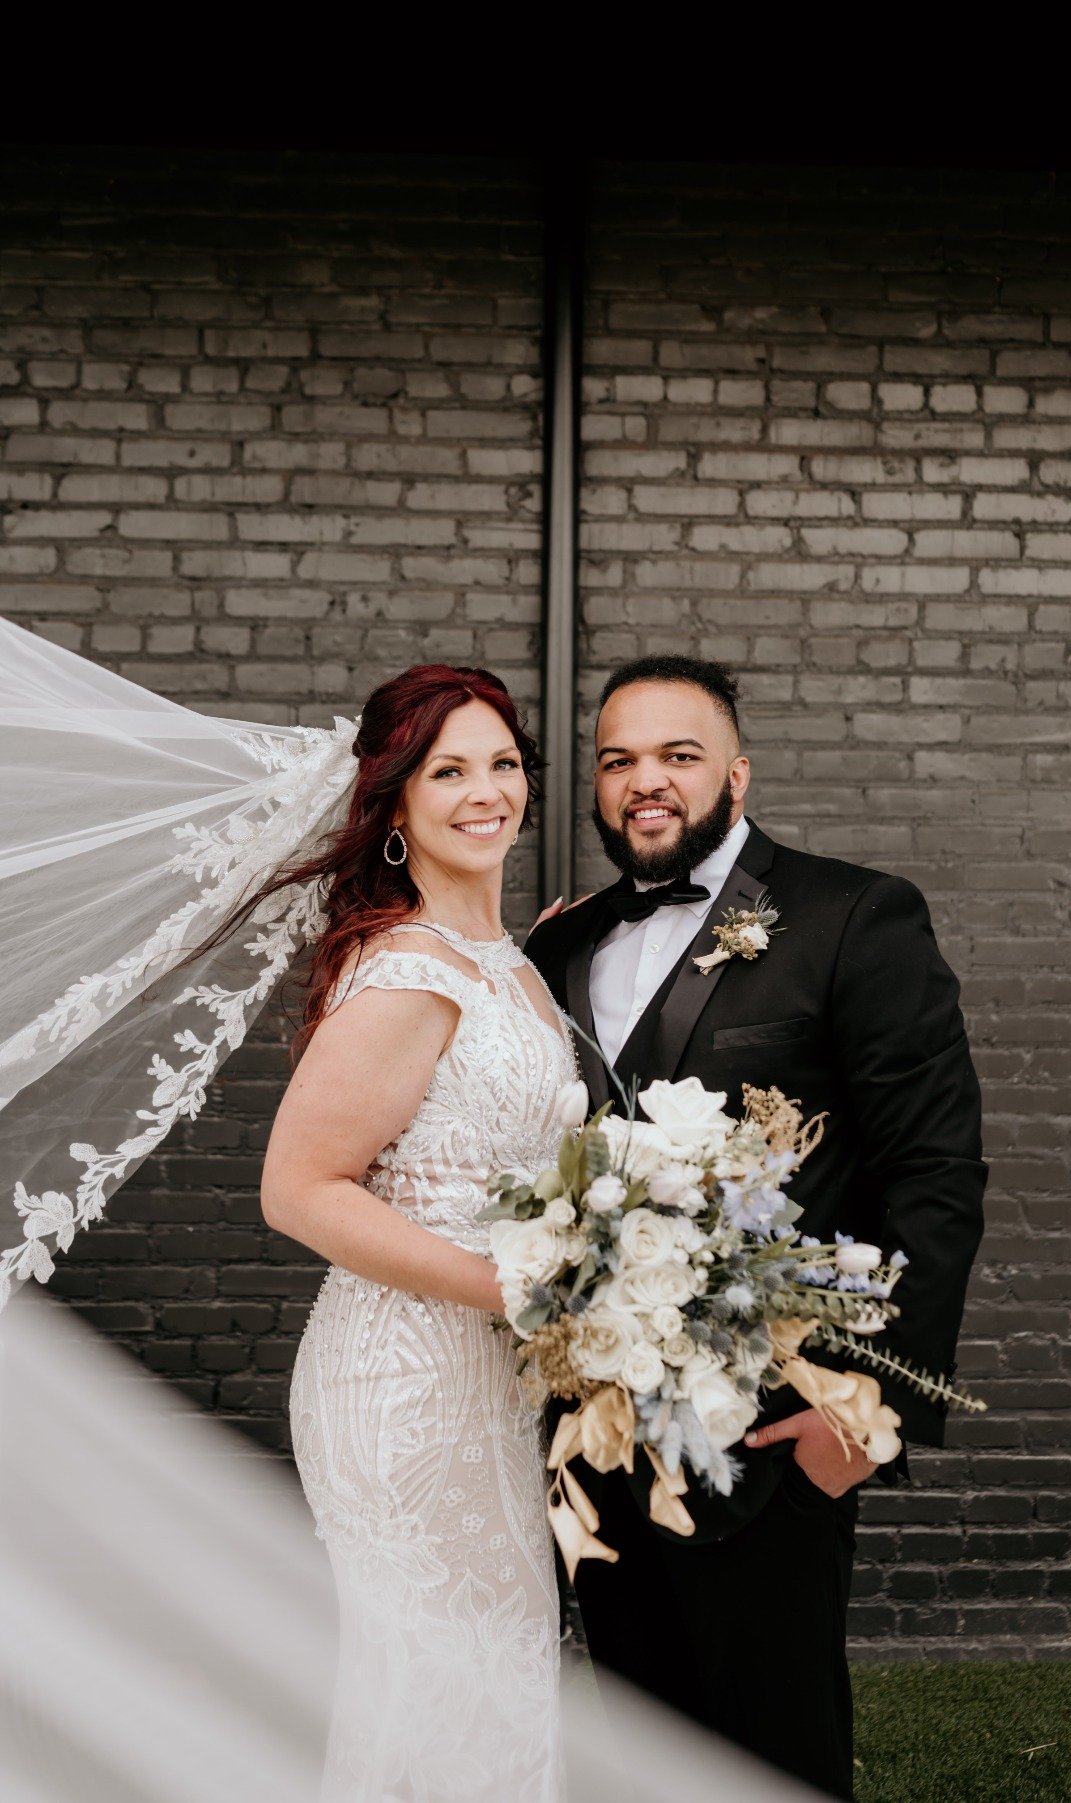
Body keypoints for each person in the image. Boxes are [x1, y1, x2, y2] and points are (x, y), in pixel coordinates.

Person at [524, 655, 988, 1802]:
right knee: (635, 1742)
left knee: (773, 1751)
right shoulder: (559, 945)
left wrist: (870, 1413)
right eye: (620, 758)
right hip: (594, 1432)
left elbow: (933, 1172)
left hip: (774, 1435)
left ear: (736, 773)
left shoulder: (853, 916)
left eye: (678, 755)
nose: (647, 781)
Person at [256, 664, 575, 1803]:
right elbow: (298, 1191)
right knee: (440, 1694)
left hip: (492, 1380)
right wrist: (514, 1291)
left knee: (494, 1681)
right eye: (448, 770)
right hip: (404, 1384)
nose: (485, 791)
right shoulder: (405, 972)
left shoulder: (516, 969)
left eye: (503, 764)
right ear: (395, 803)